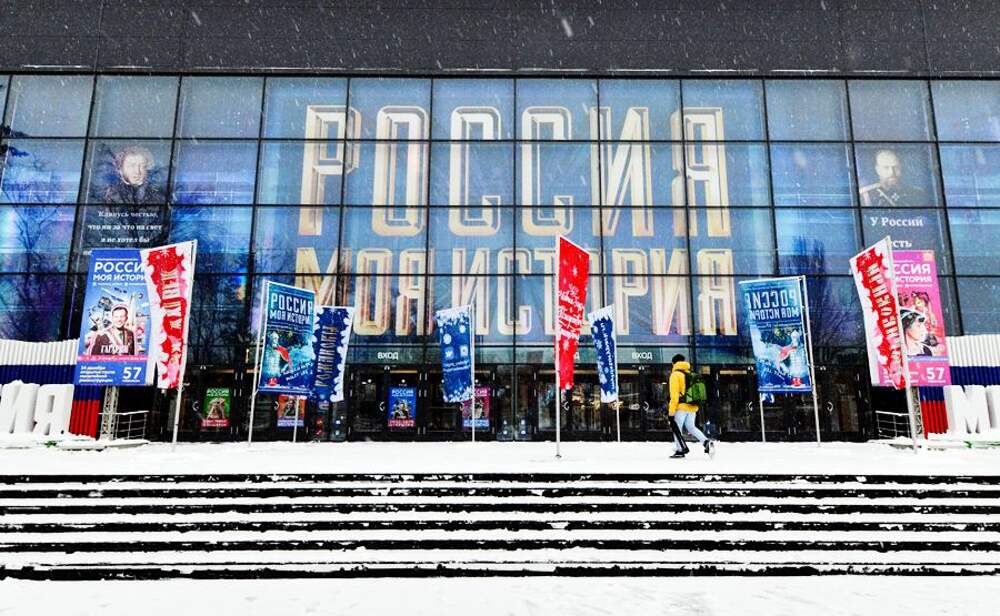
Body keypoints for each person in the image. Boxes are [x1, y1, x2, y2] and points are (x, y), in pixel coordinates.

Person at [668, 353, 715, 459]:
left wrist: (671, 411)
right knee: (691, 427)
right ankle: (706, 442)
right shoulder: (689, 373)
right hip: (692, 406)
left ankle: (680, 450)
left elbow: (674, 396)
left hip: (681, 407)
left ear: (673, 363)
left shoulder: (675, 375)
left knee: (677, 428)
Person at [859, 149, 926, 207]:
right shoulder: (866, 195)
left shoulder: (916, 193)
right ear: (877, 170)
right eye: (886, 168)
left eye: (896, 167)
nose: (892, 172)